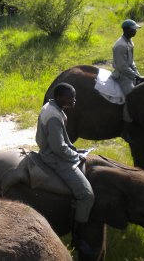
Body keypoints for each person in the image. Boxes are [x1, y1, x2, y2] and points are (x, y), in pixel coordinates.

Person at [35, 83, 94, 247]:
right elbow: (59, 148)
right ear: (60, 97)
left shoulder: (50, 105)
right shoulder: (54, 116)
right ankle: (78, 238)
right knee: (87, 195)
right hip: (55, 158)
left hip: (53, 151)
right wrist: (76, 155)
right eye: (71, 97)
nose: (74, 100)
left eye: (74, 96)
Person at [112, 19, 144, 140]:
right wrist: (136, 77)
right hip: (122, 76)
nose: (135, 31)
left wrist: (137, 74)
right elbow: (122, 67)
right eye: (133, 29)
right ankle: (125, 130)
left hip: (129, 74)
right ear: (126, 30)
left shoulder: (129, 41)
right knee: (132, 97)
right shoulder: (120, 45)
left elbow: (131, 62)